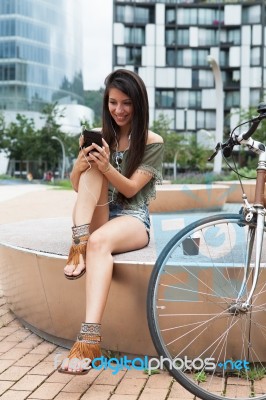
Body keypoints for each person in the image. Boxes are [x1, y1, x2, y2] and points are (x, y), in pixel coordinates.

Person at [59, 69, 164, 374]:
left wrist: (106, 166)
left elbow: (131, 189)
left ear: (138, 104)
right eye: (112, 102)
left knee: (100, 241)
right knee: (91, 165)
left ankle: (89, 339)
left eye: (126, 103)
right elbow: (78, 187)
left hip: (132, 218)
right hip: (99, 212)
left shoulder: (152, 142)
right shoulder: (97, 135)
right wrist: (81, 166)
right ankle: (78, 242)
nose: (118, 110)